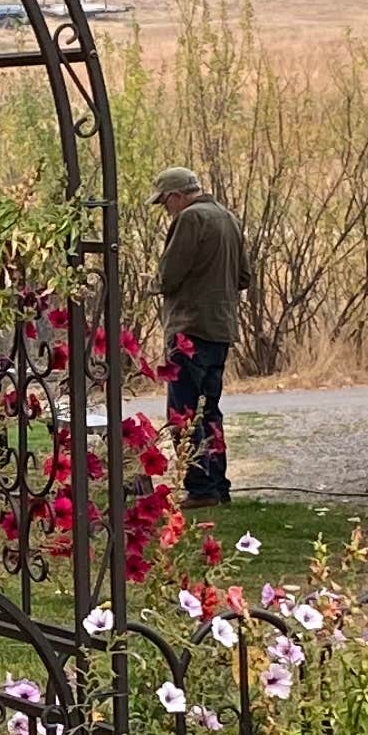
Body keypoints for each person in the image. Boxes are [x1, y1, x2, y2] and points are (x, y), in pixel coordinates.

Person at [150, 165, 250, 505]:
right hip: (220, 328)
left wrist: (157, 283)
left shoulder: (191, 219)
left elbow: (169, 275)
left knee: (184, 412)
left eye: (165, 203)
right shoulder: (228, 218)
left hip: (189, 328)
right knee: (210, 411)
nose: (167, 210)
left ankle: (199, 487)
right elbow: (244, 277)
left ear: (177, 196)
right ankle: (218, 485)